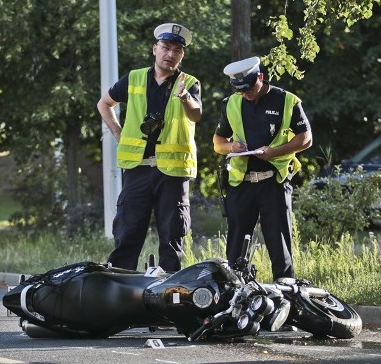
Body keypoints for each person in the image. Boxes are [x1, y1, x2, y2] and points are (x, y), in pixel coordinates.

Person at [97, 23, 202, 272]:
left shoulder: (190, 82)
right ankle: (119, 289)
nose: (170, 54)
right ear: (155, 49)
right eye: (166, 48)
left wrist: (185, 96)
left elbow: (196, 115)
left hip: (173, 173)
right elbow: (104, 104)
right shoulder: (134, 78)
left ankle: (171, 295)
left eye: (177, 50)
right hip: (138, 169)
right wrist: (119, 134)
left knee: (172, 238)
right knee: (127, 232)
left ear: (182, 55)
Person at [213, 56, 312, 281]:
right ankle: (236, 295)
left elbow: (306, 139)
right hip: (241, 183)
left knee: (279, 245)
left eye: (249, 87)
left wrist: (273, 152)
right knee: (236, 247)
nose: (245, 93)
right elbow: (218, 141)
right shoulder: (231, 102)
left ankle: (286, 294)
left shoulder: (286, 100)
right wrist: (231, 146)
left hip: (273, 181)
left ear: (260, 77)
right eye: (240, 90)